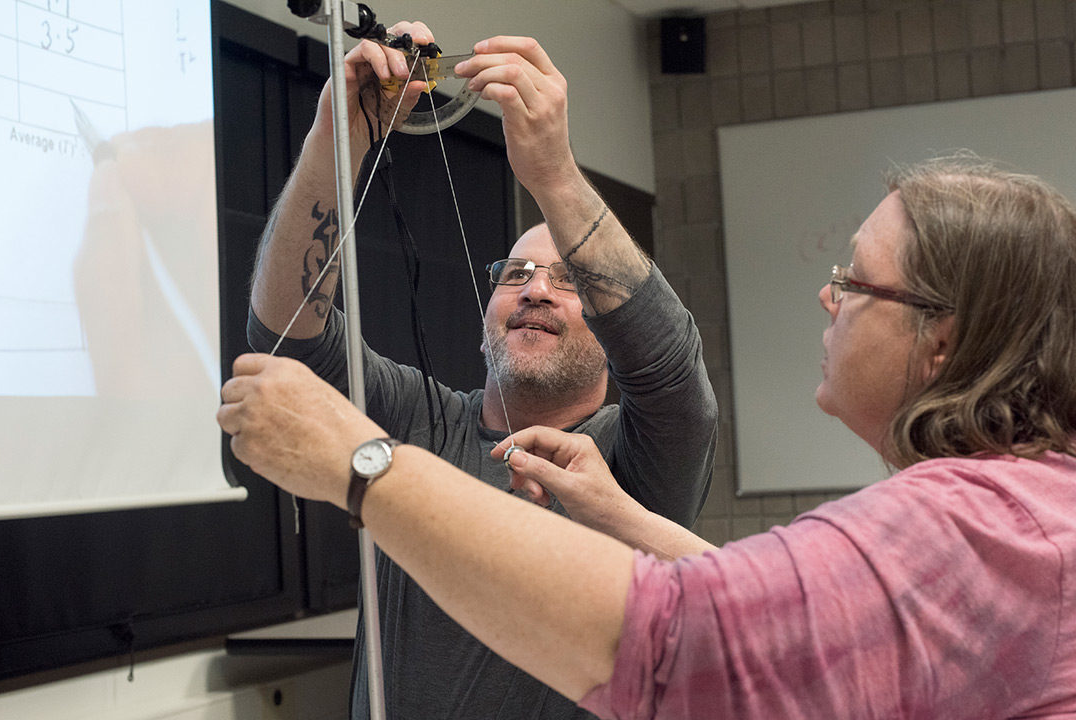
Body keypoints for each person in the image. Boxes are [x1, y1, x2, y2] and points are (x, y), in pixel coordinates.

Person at [220, 155, 1076, 718]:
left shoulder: (964, 521)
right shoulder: (1024, 503)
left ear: (942, 338)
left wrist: (362, 466)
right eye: (516, 274)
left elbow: (700, 631)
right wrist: (342, 126)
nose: (536, 290)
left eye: (854, 280)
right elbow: (765, 609)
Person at [245, 22, 718, 720]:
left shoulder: (633, 457)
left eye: (569, 282)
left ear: (615, 331)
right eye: (517, 274)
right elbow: (284, 336)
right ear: (485, 311)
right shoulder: (416, 418)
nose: (534, 290)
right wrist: (337, 143)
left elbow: (673, 371)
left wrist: (554, 174)